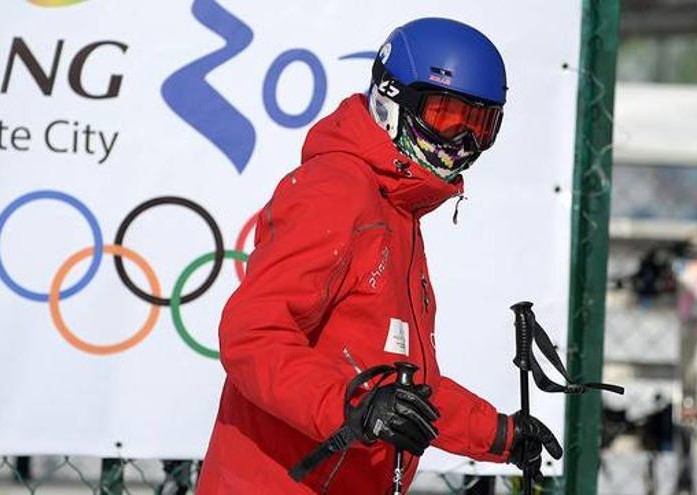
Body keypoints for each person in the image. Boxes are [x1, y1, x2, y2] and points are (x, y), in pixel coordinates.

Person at [196, 18, 562, 494]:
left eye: (480, 126)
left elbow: (401, 390)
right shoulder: (336, 190)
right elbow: (253, 333)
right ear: (393, 98)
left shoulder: (399, 210)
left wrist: (499, 434)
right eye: (447, 117)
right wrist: (349, 407)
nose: (461, 144)